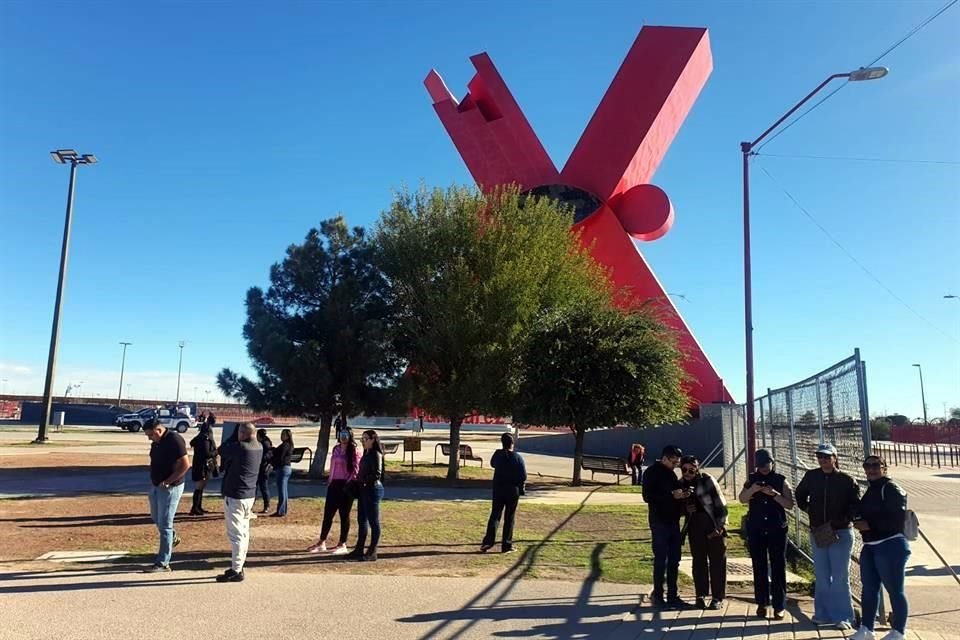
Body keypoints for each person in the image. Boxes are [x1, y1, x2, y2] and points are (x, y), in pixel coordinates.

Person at [795, 442, 860, 630]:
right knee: (822, 575)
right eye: (820, 457)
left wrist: (841, 520)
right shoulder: (811, 476)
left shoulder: (847, 480)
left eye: (827, 456)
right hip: (819, 531)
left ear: (835, 457)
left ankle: (844, 616)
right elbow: (800, 495)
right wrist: (810, 510)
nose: (823, 460)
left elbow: (854, 505)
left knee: (840, 576)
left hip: (840, 532)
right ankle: (822, 613)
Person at [851, 455, 911, 640]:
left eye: (876, 465)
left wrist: (870, 525)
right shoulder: (871, 490)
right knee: (869, 589)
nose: (871, 469)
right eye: (867, 466)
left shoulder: (891, 488)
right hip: (870, 545)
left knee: (894, 589)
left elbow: (896, 518)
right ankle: (867, 628)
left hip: (890, 544)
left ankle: (898, 631)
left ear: (884, 467)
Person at [739, 449, 795, 619]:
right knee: (759, 565)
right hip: (756, 527)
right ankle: (761, 603)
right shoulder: (751, 479)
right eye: (760, 466)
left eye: (766, 464)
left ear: (772, 462)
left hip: (776, 527)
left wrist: (774, 495)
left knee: (778, 566)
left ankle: (779, 605)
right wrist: (753, 490)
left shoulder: (780, 480)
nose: (763, 468)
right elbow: (742, 498)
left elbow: (790, 504)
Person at [642, 444, 689, 609]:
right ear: (664, 458)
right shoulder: (651, 473)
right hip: (659, 521)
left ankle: (673, 595)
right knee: (661, 559)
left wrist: (682, 495)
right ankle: (658, 595)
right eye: (673, 461)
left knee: (674, 560)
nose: (675, 465)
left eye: (677, 462)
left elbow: (676, 494)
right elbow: (647, 496)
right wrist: (670, 495)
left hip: (673, 521)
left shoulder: (671, 474)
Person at [215, 422, 262, 582]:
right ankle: (239, 565)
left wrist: (233, 437)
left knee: (236, 535)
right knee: (244, 532)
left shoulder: (241, 447)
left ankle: (236, 569)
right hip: (249, 494)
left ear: (242, 433)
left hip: (236, 495)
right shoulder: (259, 446)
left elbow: (221, 450)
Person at [679, 455, 728, 610]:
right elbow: (677, 508)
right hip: (694, 526)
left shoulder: (707, 480)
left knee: (717, 562)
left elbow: (721, 504)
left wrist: (719, 527)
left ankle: (717, 597)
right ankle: (700, 595)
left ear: (697, 468)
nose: (688, 473)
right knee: (698, 561)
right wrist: (685, 508)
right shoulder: (681, 484)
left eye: (691, 470)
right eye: (684, 470)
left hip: (712, 523)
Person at [142, 417, 190, 572]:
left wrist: (169, 481)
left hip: (171, 487)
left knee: (165, 524)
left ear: (159, 430)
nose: (149, 438)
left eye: (151, 435)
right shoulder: (157, 442)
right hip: (157, 485)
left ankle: (163, 562)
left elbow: (185, 464)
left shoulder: (175, 440)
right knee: (156, 518)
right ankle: (173, 538)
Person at [307, 426, 361, 555]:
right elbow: (332, 467)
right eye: (342, 434)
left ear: (350, 436)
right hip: (334, 485)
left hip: (346, 486)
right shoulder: (336, 449)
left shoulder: (354, 451)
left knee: (344, 515)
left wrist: (348, 484)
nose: (343, 437)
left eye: (346, 434)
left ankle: (342, 543)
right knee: (328, 515)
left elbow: (356, 470)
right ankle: (321, 542)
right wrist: (330, 481)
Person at [481, 432, 527, 553]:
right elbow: (523, 475)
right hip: (512, 490)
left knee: (495, 515)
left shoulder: (498, 455)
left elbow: (492, 464)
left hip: (498, 489)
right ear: (512, 443)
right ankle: (506, 544)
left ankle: (487, 542)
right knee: (509, 518)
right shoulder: (517, 457)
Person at [347, 429, 384, 561]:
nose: (363, 442)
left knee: (373, 521)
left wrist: (363, 480)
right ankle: (359, 549)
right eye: (362, 439)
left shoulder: (376, 454)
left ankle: (372, 551)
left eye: (366, 439)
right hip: (363, 490)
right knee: (361, 520)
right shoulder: (366, 453)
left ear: (373, 440)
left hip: (373, 490)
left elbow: (377, 474)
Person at [188, 422, 218, 515]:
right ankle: (195, 507)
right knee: (199, 487)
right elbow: (207, 453)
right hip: (202, 466)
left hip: (200, 465)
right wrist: (216, 452)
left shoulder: (199, 438)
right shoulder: (205, 439)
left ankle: (198, 507)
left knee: (201, 488)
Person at [272, 428, 293, 517]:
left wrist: (273, 462)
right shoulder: (289, 445)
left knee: (281, 491)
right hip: (287, 468)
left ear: (287, 436)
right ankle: (283, 510)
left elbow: (280, 457)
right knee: (284, 490)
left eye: (283, 434)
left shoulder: (285, 445)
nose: (281, 436)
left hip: (283, 468)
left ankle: (280, 511)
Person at [255, 428, 274, 514]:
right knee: (260, 487)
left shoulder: (265, 444)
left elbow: (268, 455)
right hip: (261, 468)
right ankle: (264, 505)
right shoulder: (266, 442)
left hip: (263, 469)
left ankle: (266, 505)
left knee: (263, 487)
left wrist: (259, 458)